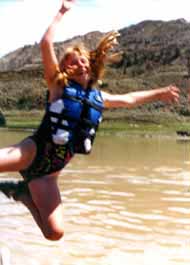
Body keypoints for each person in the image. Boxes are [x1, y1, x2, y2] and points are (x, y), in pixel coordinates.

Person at [0, 0, 180, 241]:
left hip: (49, 173)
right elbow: (45, 43)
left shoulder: (99, 98)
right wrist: (61, 13)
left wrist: (159, 93)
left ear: (91, 65)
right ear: (65, 68)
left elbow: (129, 99)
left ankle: (22, 193)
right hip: (33, 152)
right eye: (71, 61)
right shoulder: (58, 85)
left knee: (55, 233)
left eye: (83, 59)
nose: (79, 63)